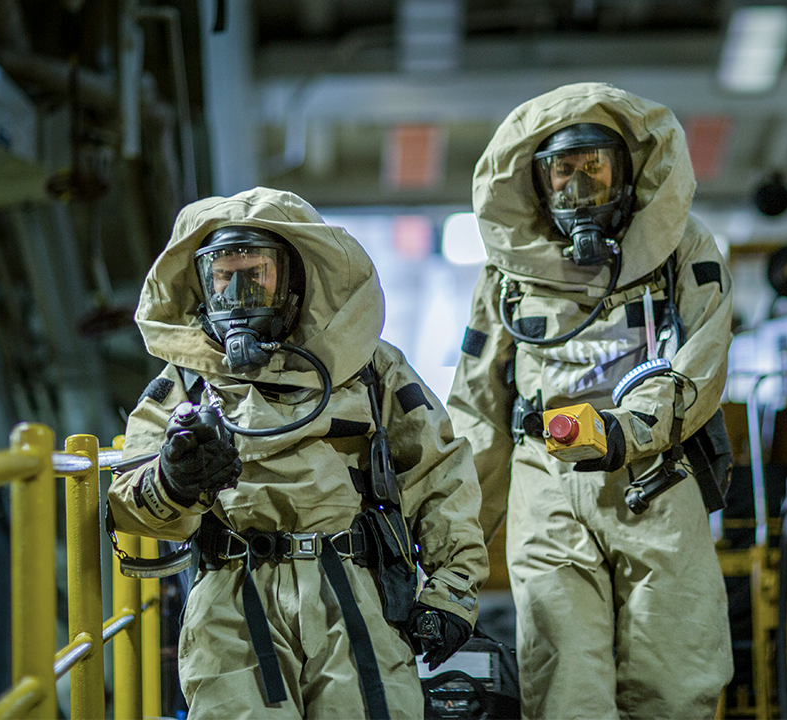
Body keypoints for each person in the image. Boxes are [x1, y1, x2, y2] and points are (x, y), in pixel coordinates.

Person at [108, 186, 488, 719]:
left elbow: (440, 472)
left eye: (256, 275)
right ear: (203, 284)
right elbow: (129, 500)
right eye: (223, 277)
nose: (238, 293)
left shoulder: (370, 368)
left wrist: (452, 591)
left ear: (293, 282)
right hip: (231, 602)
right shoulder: (185, 386)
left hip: (354, 593)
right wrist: (173, 479)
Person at [447, 82, 734, 719]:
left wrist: (631, 429)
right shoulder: (506, 277)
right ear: (538, 187)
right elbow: (476, 408)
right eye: (562, 172)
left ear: (627, 176)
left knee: (675, 683)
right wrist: (451, 542)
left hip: (653, 478)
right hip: (545, 487)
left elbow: (703, 362)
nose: (578, 190)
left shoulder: (680, 248)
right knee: (565, 689)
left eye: (594, 170)